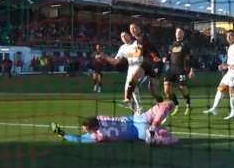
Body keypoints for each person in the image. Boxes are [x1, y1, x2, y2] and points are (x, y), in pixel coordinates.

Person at [50, 101, 178, 146]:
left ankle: (161, 136)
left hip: (139, 133)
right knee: (166, 104)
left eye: (86, 129)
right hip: (138, 119)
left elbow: (77, 139)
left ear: (93, 128)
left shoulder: (97, 136)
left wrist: (60, 132)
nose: (84, 131)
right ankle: (156, 127)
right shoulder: (100, 118)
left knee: (172, 139)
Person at [203, 30, 234, 120]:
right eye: (227, 36)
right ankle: (214, 108)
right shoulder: (230, 46)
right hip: (229, 72)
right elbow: (231, 60)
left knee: (232, 92)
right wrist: (224, 65)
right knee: (220, 89)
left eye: (231, 36)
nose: (229, 38)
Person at [101, 31, 144, 113]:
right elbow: (115, 62)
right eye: (122, 37)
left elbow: (140, 53)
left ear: (129, 36)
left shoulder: (136, 43)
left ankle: (140, 108)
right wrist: (105, 57)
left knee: (132, 86)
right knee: (127, 97)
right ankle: (136, 111)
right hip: (131, 68)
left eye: (125, 35)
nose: (124, 37)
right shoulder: (122, 48)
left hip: (140, 67)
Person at [125, 23, 164, 105]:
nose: (132, 30)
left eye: (134, 28)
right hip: (146, 62)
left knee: (153, 90)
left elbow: (139, 53)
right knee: (134, 77)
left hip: (155, 64)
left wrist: (128, 55)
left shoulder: (143, 37)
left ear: (139, 28)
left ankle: (161, 103)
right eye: (131, 29)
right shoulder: (138, 40)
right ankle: (128, 98)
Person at [163, 28, 195, 115]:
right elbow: (168, 55)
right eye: (177, 32)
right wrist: (165, 58)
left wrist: (191, 70)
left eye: (180, 32)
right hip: (171, 70)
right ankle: (176, 105)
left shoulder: (186, 45)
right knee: (166, 90)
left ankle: (188, 104)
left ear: (183, 34)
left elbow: (192, 58)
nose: (178, 34)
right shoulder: (171, 45)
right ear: (175, 34)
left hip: (181, 70)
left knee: (182, 88)